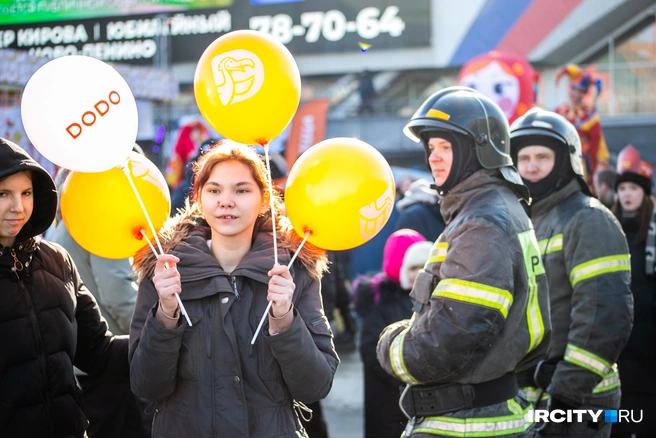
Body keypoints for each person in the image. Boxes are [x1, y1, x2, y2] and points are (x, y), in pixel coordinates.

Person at [128, 140, 339, 437]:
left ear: (264, 199)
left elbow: (315, 385)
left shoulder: (294, 271)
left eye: (241, 190)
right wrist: (165, 314)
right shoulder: (164, 270)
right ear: (199, 199)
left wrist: (284, 319)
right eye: (214, 190)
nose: (226, 201)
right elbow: (146, 385)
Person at [377, 87, 551, 437]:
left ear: (477, 150)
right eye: (430, 148)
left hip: (466, 423)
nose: (434, 158)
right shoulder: (490, 211)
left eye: (445, 147)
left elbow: (447, 341)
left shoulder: (482, 224)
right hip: (479, 411)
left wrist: (391, 343)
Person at [510, 108, 633, 437]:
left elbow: (604, 314)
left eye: (542, 156)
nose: (532, 166)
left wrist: (566, 394)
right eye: (524, 158)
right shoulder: (526, 222)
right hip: (535, 396)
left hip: (582, 399)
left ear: (565, 161)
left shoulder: (588, 219)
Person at [0, 138, 129, 438]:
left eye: (27, 192)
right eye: (3, 193)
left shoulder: (56, 260)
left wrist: (164, 328)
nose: (18, 206)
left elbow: (100, 352)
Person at [50, 166, 150, 438]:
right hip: (110, 357)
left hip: (82, 358)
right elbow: (117, 292)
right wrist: (150, 334)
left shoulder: (69, 223)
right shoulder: (102, 223)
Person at [354, 230, 430, 438]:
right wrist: (404, 377)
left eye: (424, 266)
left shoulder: (430, 298)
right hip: (388, 398)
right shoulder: (381, 301)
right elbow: (370, 350)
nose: (418, 273)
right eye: (413, 267)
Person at [610, 144, 656, 437]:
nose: (627, 193)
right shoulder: (607, 228)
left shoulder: (653, 231)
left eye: (633, 188)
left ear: (644, 193)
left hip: (650, 342)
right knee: (619, 412)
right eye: (623, 187)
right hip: (617, 340)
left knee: (648, 414)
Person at [554, 64, 609, 185]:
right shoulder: (558, 112)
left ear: (584, 93)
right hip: (560, 162)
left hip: (584, 166)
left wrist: (600, 166)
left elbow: (599, 143)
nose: (576, 94)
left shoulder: (590, 115)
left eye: (580, 91)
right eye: (574, 89)